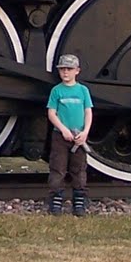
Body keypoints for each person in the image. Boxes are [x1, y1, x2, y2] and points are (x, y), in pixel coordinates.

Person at [45, 53, 94, 216]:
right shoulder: (56, 91)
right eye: (62, 69)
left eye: (69, 69)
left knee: (79, 169)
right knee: (57, 168)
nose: (65, 72)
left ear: (77, 71)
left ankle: (79, 202)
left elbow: (88, 112)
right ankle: (55, 201)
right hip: (60, 136)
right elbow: (52, 113)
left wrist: (85, 132)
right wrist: (63, 129)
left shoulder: (83, 91)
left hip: (79, 137)